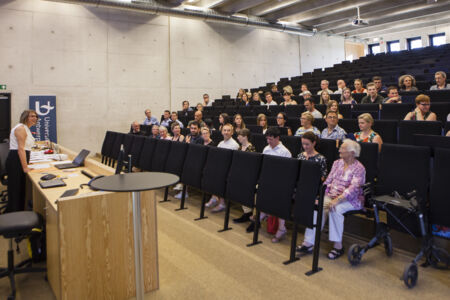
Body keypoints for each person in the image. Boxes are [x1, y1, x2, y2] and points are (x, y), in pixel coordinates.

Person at [297, 139, 366, 260]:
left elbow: (354, 188)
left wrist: (338, 200)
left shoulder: (359, 168)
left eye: (343, 148)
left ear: (352, 153)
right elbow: (328, 181)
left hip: (351, 200)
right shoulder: (337, 163)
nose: (339, 150)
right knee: (317, 207)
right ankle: (308, 243)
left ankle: (338, 246)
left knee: (335, 209)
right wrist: (322, 196)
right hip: (332, 196)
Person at [249, 127, 292, 242]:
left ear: (277, 138)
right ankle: (261, 215)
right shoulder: (266, 149)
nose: (268, 142)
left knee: (277, 197)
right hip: (268, 180)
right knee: (260, 191)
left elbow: (288, 173)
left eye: (271, 139)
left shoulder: (285, 152)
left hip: (281, 182)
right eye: (267, 139)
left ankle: (280, 227)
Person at [5, 110, 38, 212]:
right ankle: (13, 215)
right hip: (16, 160)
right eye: (31, 116)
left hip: (19, 158)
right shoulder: (21, 128)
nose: (35, 118)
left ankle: (19, 212)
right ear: (25, 117)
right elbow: (21, 149)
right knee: (16, 190)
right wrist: (25, 167)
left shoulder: (26, 128)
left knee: (20, 188)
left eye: (36, 116)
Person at [206, 124, 240, 213]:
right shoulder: (221, 143)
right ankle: (214, 197)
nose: (226, 132)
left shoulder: (234, 145)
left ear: (232, 132)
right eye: (224, 130)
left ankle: (222, 203)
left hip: (228, 170)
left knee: (219, 177)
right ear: (222, 132)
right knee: (210, 172)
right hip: (221, 168)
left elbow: (233, 162)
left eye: (228, 130)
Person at [233, 128, 256, 223]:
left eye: (239, 136)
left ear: (245, 137)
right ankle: (246, 213)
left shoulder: (251, 149)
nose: (237, 137)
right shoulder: (239, 147)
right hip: (240, 174)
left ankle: (248, 214)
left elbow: (251, 165)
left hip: (247, 176)